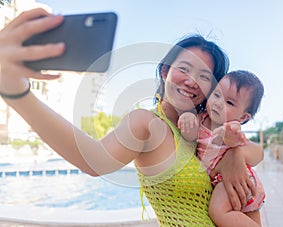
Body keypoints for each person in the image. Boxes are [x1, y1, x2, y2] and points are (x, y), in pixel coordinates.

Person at [0, 8, 263, 226]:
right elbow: (92, 160)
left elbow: (253, 158)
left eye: (205, 76)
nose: (192, 81)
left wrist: (236, 156)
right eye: (184, 68)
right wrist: (16, 92)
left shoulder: (200, 133)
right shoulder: (147, 124)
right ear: (165, 72)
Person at [178, 70, 266, 226]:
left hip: (232, 179)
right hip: (224, 180)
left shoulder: (232, 126)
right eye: (217, 95)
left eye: (230, 102)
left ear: (243, 117)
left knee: (218, 212)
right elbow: (190, 134)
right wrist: (187, 118)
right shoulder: (201, 117)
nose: (218, 102)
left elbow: (235, 140)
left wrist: (230, 138)